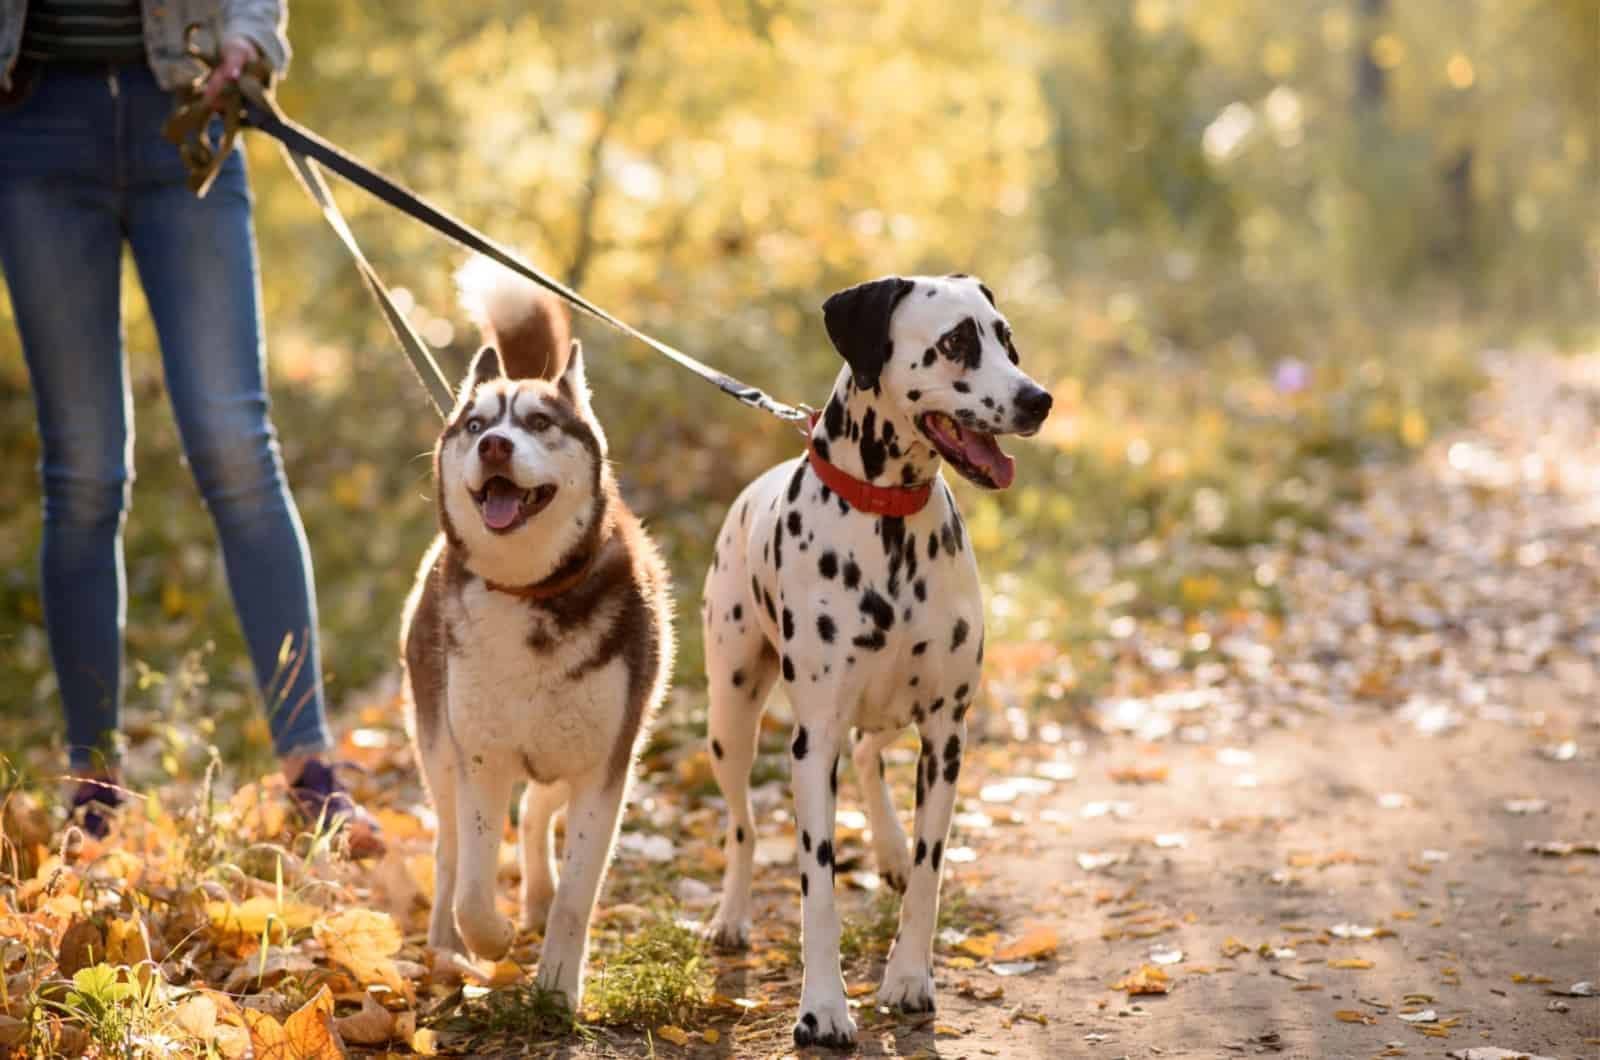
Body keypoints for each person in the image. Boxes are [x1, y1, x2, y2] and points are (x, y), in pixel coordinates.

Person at [0, 0, 383, 857]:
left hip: (186, 113)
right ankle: (91, 794)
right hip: (32, 130)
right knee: (84, 473)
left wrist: (251, 37)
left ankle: (313, 777)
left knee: (235, 445)